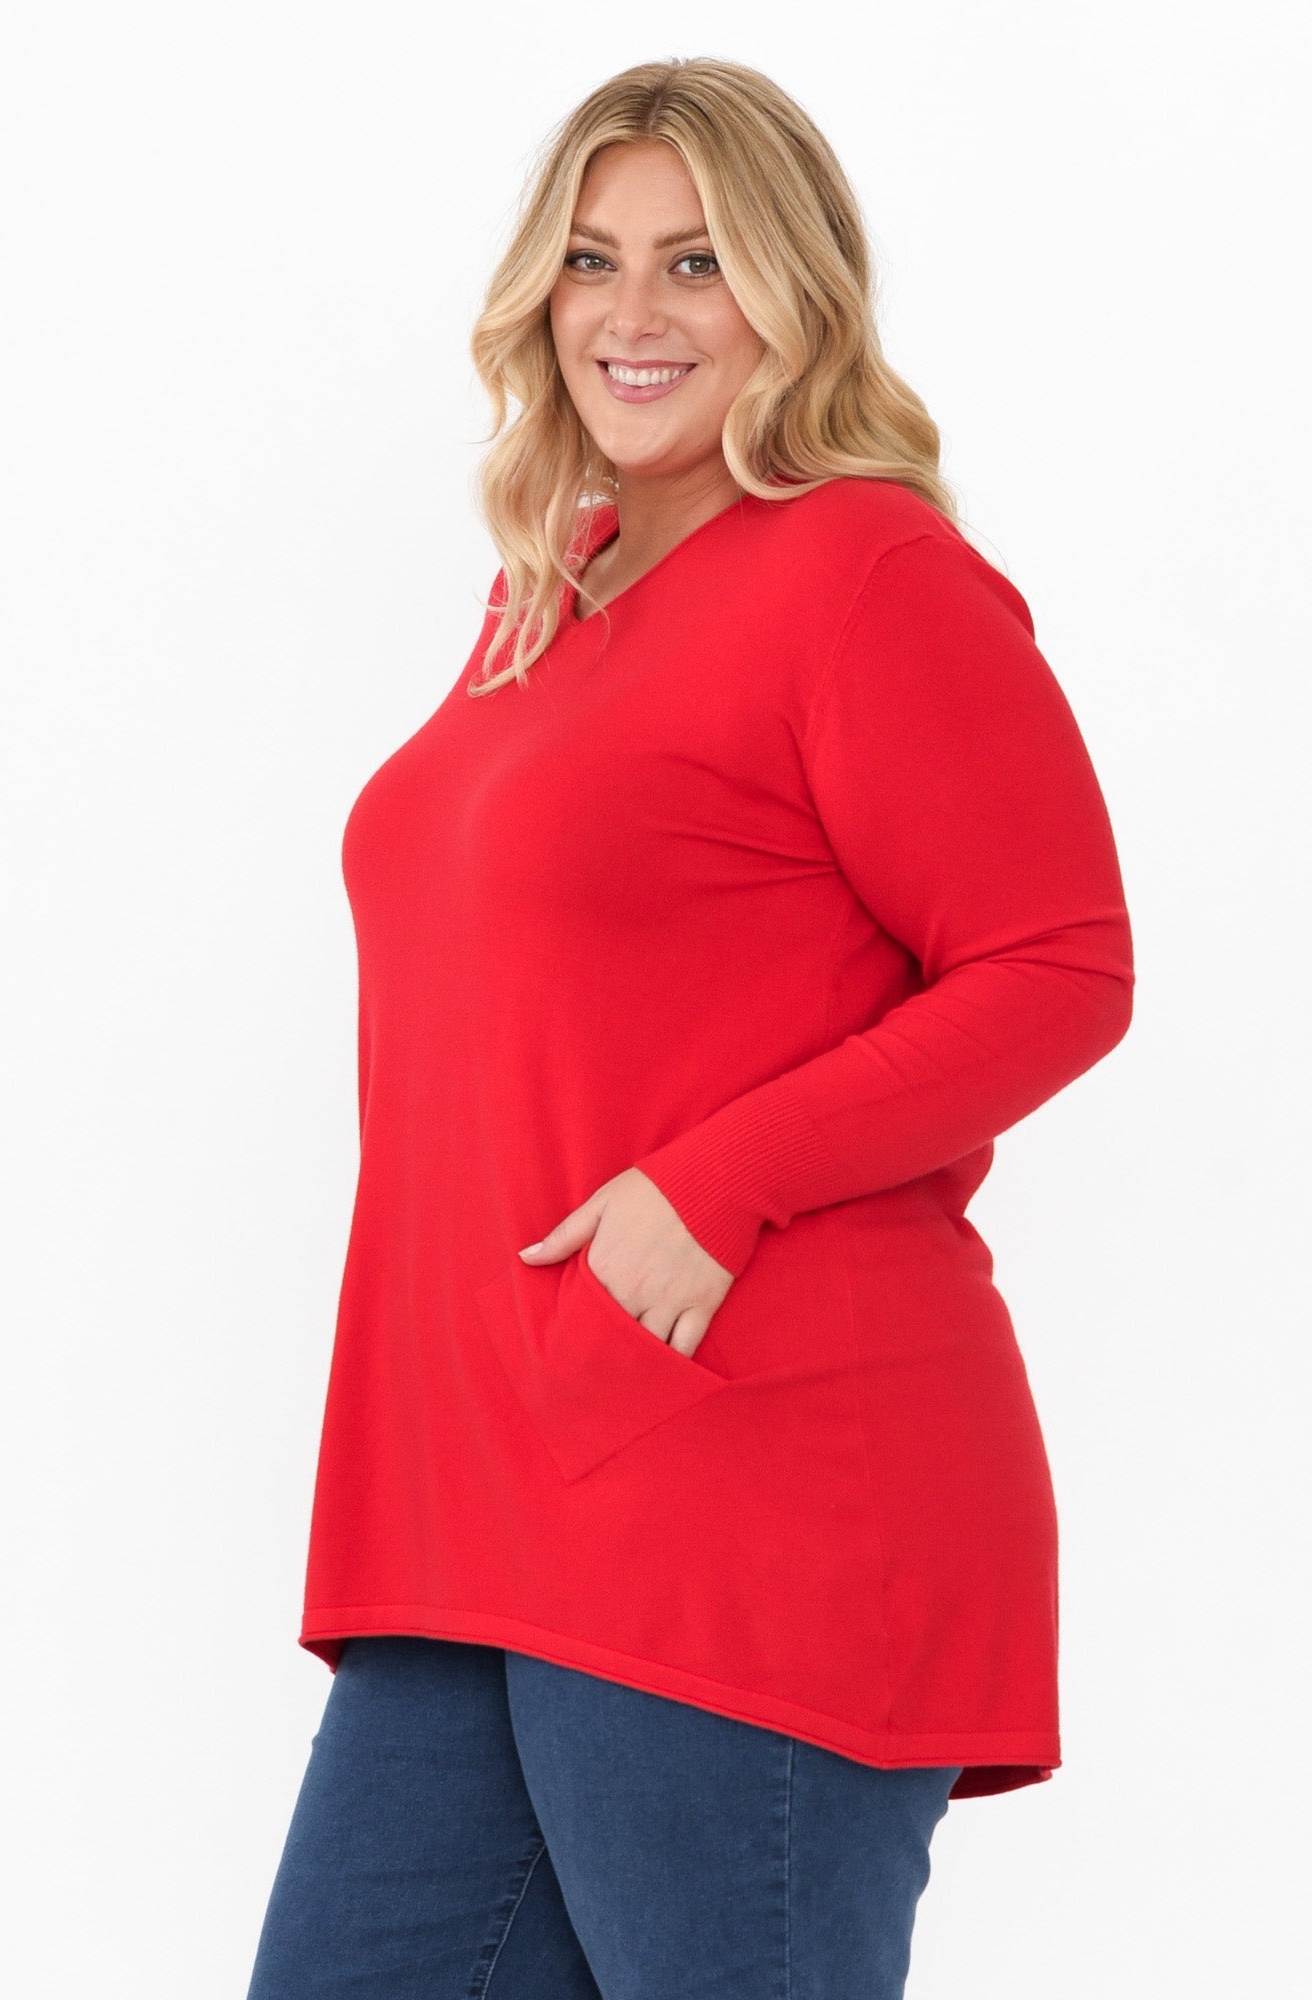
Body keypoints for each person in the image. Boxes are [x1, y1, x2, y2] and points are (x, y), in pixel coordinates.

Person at [245, 55, 1135, 2000]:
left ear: (792, 292)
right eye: (590, 258)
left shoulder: (866, 571)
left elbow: (1059, 963)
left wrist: (711, 1184)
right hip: (480, 1501)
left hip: (747, 1491)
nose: (630, 312)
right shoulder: (550, 591)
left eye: (696, 260)